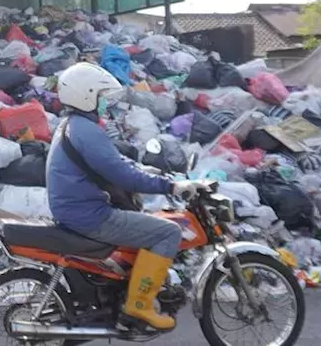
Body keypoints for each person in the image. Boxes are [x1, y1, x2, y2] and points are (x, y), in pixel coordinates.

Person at [46, 63, 206, 331]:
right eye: (102, 97)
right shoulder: (87, 131)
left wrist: (145, 170)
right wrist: (170, 187)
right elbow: (122, 176)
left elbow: (113, 162)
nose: (105, 103)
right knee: (167, 233)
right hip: (89, 216)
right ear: (86, 96)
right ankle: (139, 305)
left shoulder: (73, 126)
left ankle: (123, 295)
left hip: (75, 210)